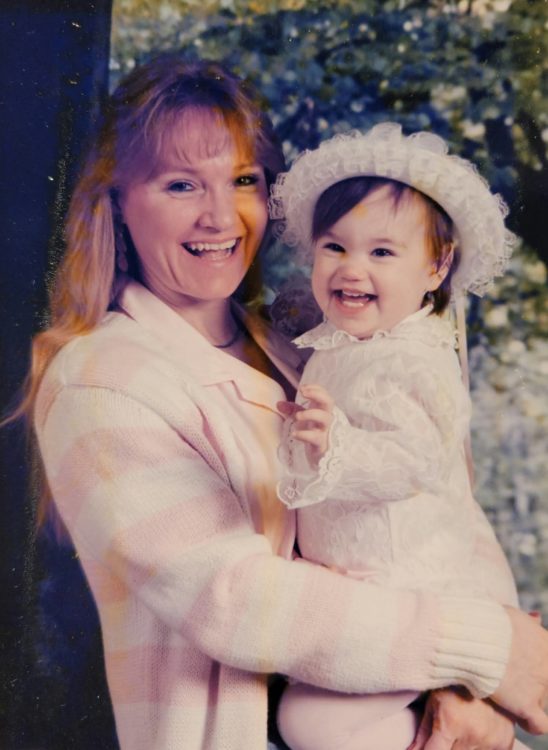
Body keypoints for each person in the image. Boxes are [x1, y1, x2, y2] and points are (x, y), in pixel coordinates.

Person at [14, 55, 548, 750]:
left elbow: (435, 506)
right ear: (115, 200)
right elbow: (235, 600)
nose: (220, 215)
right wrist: (483, 646)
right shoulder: (101, 379)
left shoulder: (304, 347)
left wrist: (469, 693)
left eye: (243, 180)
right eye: (181, 184)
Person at [269, 123, 539, 750]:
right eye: (334, 247)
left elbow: (413, 459)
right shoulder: (348, 342)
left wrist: (335, 441)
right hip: (363, 586)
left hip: (413, 586)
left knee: (314, 722)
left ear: (436, 266)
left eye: (383, 253)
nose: (351, 268)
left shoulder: (412, 361)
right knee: (315, 712)